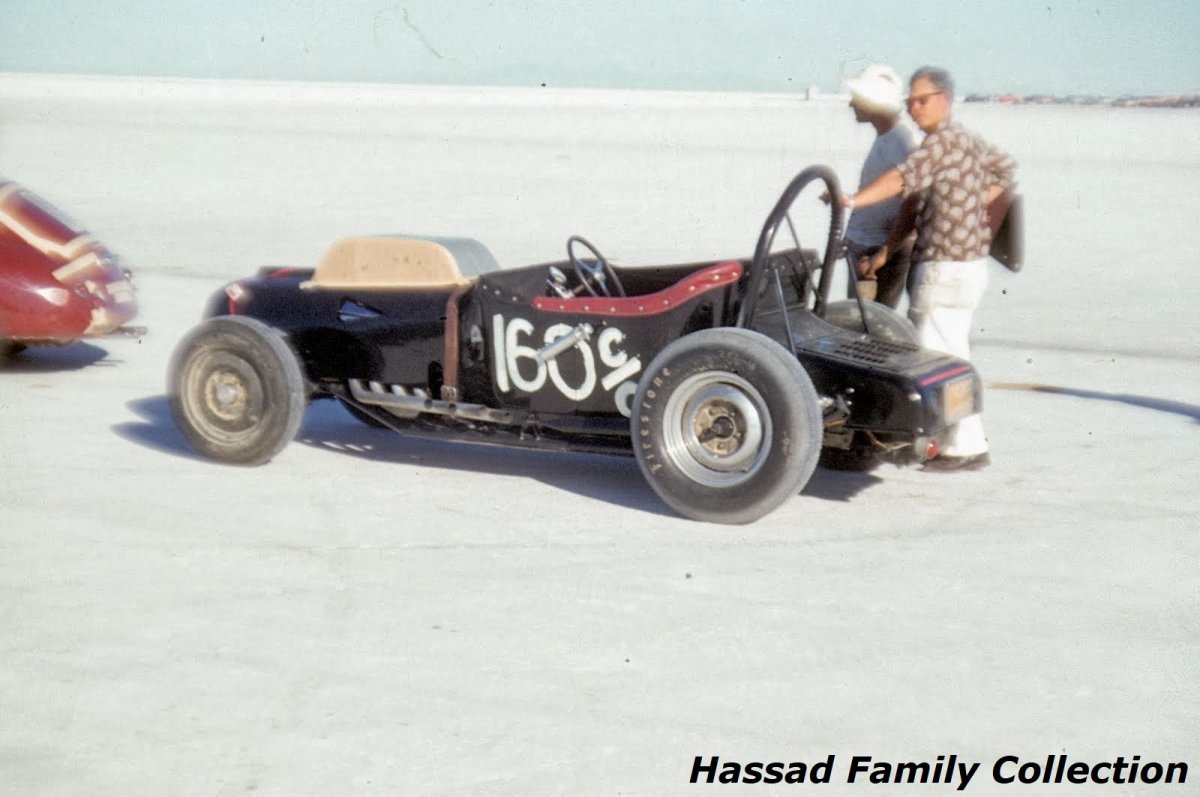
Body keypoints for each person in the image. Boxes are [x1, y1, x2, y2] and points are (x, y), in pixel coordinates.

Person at [844, 65, 1017, 472]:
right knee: (954, 350)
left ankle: (957, 447)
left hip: (943, 266)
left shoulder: (939, 145)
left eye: (922, 100)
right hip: (969, 265)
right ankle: (965, 441)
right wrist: (971, 212)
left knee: (938, 358)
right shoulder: (968, 141)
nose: (915, 108)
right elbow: (1005, 170)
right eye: (910, 102)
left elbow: (902, 181)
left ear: (945, 100)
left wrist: (852, 200)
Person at [841, 64, 918, 308]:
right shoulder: (888, 138)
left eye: (856, 98)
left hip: (878, 254)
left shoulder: (903, 141)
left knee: (870, 328)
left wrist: (884, 254)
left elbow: (912, 204)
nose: (851, 104)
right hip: (866, 247)